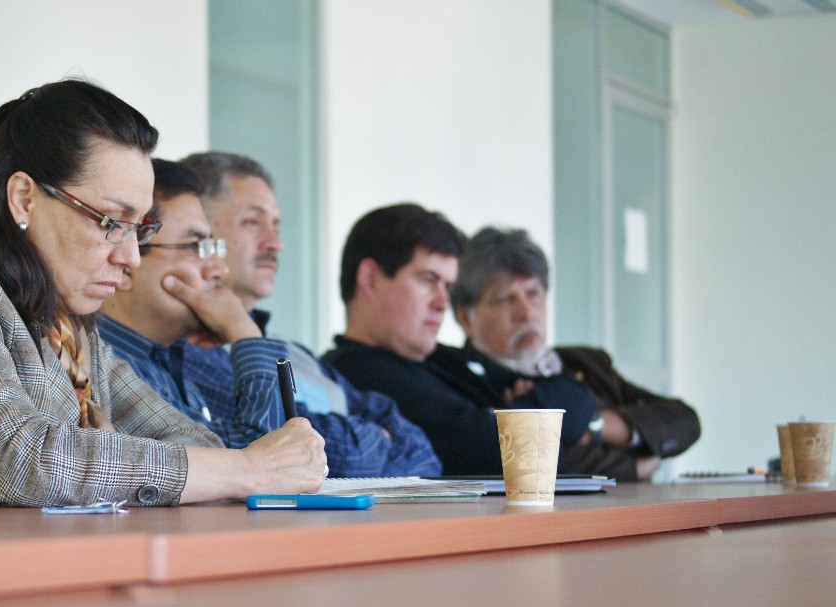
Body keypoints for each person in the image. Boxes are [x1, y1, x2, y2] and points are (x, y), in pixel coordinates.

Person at [0, 80, 325, 510]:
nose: (131, 256)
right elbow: (23, 463)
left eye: (139, 228)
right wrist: (244, 470)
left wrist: (235, 467)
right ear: (24, 198)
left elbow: (189, 440)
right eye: (111, 222)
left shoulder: (68, 325)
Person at [174, 152, 441, 478]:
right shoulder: (190, 354)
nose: (276, 243)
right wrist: (380, 439)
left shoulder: (296, 353)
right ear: (200, 235)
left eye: (276, 226)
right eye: (253, 222)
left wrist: (354, 445)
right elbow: (296, 451)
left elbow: (422, 452)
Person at [321, 203, 596, 476]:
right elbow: (503, 450)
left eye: (447, 287)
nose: (443, 303)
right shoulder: (355, 372)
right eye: (428, 280)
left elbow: (574, 394)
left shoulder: (444, 358)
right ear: (369, 278)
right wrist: (547, 426)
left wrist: (510, 419)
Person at [451, 227, 700, 481]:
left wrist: (594, 425)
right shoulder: (454, 380)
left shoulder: (586, 363)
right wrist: (630, 467)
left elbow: (684, 421)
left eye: (534, 294)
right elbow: (538, 467)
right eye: (506, 299)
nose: (527, 313)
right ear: (465, 317)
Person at [99, 159, 289, 448]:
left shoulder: (164, 363)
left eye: (212, 247)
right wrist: (244, 332)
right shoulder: (109, 371)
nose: (220, 269)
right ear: (126, 264)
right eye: (194, 246)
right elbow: (261, 458)